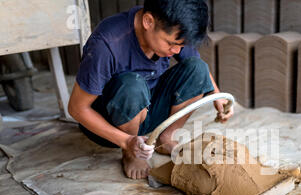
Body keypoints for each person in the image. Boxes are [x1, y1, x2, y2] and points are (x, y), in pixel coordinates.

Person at [68, 0, 233, 180]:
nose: (176, 50)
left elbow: (196, 68)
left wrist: (217, 95)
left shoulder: (170, 25)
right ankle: (131, 153)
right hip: (109, 123)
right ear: (148, 22)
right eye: (171, 43)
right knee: (132, 85)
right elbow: (77, 109)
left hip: (145, 108)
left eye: (181, 45)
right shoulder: (106, 44)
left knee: (197, 68)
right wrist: (127, 141)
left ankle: (165, 137)